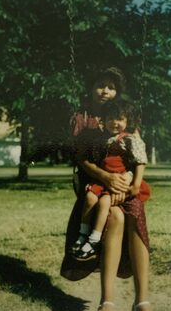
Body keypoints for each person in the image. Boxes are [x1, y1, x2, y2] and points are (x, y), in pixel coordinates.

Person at [61, 67, 152, 311]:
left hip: (126, 184)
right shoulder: (82, 118)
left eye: (111, 87)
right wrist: (108, 179)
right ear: (91, 88)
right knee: (115, 216)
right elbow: (81, 158)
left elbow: (137, 155)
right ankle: (107, 300)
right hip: (96, 184)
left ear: (117, 92)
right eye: (101, 85)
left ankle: (142, 299)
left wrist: (127, 181)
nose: (105, 91)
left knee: (137, 220)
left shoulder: (127, 117)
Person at [71, 99, 151, 262]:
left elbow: (140, 161)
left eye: (120, 119)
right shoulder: (101, 139)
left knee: (104, 203)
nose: (114, 123)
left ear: (127, 121)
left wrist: (135, 184)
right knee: (90, 198)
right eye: (110, 119)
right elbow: (90, 159)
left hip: (120, 180)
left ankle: (94, 239)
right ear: (103, 121)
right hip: (104, 180)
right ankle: (83, 232)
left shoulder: (129, 139)